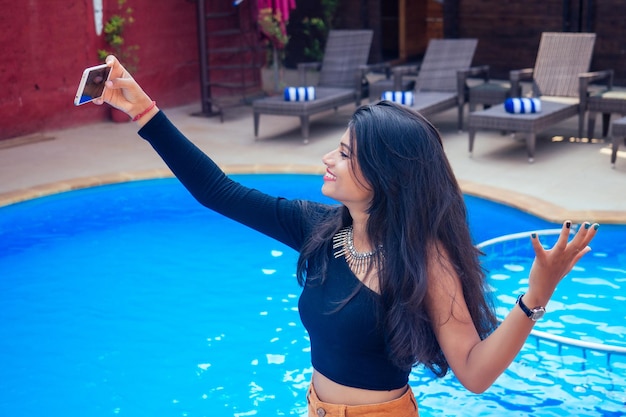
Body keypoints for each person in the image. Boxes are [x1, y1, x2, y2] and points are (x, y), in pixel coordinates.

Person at [93, 56, 599, 417]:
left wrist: (538, 293)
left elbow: (474, 372)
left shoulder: (424, 261)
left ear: (385, 176)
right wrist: (144, 111)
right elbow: (218, 191)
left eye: (345, 153)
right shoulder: (317, 228)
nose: (328, 160)